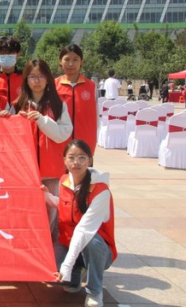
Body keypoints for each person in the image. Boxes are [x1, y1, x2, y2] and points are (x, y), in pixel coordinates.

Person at [44, 139, 117, 307]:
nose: (76, 162)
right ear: (64, 160)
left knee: (91, 242)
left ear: (90, 160)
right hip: (68, 241)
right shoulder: (64, 181)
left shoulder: (100, 190)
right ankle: (74, 278)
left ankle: (95, 291)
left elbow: (84, 230)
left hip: (95, 246)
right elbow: (65, 205)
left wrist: (67, 265)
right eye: (71, 157)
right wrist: (45, 195)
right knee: (50, 270)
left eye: (82, 157)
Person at [14, 59, 72, 238]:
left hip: (51, 170)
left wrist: (41, 120)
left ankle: (50, 246)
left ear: (48, 79)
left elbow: (63, 134)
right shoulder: (17, 104)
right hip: (25, 170)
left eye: (41, 76)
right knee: (25, 210)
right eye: (32, 76)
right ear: (26, 79)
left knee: (50, 212)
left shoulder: (58, 104)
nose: (37, 81)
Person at [55, 44, 98, 154]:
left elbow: (97, 117)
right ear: (60, 61)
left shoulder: (91, 87)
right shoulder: (53, 86)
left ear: (81, 62)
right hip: (60, 141)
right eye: (67, 59)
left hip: (85, 141)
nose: (71, 64)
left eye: (75, 60)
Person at [0, 36, 23, 105]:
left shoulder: (25, 78)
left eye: (10, 53)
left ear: (18, 54)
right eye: (2, 53)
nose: (6, 57)